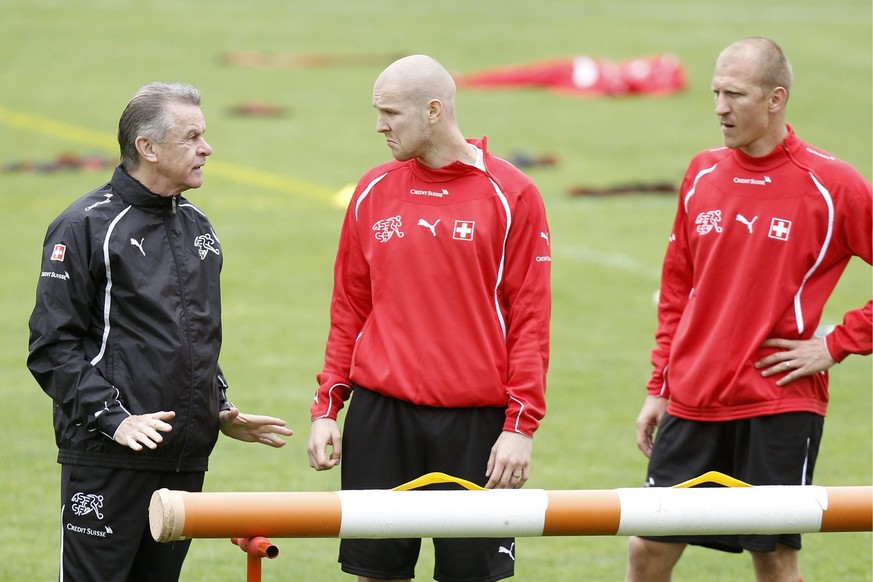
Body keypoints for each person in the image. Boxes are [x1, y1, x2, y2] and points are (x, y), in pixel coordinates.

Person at [626, 38, 872, 582]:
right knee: (647, 550)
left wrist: (837, 344)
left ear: (776, 98)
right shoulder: (702, 174)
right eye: (716, 92)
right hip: (693, 396)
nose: (719, 107)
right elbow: (677, 290)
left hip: (778, 402)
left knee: (775, 560)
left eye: (734, 94)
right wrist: (658, 385)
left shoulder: (833, 185)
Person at [27, 82, 293, 582]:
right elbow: (51, 348)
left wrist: (217, 409)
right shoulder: (84, 226)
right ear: (147, 148)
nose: (206, 148)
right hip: (109, 459)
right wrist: (115, 419)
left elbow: (191, 339)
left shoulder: (199, 227)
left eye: (204, 135)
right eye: (191, 137)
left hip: (183, 460)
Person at [307, 54, 551, 582]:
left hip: (474, 427)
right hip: (380, 419)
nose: (379, 125)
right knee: (377, 575)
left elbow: (530, 318)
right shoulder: (372, 191)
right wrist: (328, 408)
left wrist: (520, 426)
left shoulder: (512, 195)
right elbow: (349, 308)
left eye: (391, 113)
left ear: (434, 110)